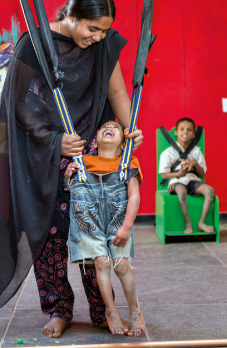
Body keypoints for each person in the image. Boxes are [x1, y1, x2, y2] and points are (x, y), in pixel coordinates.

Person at [0, 0, 144, 339]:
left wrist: (129, 127)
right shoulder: (35, 44)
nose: (100, 36)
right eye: (93, 28)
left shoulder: (104, 45)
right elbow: (18, 104)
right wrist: (55, 141)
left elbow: (116, 90)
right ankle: (58, 308)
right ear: (71, 17)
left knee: (93, 230)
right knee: (51, 233)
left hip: (89, 148)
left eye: (105, 29)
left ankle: (102, 306)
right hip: (44, 152)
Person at [65, 121, 145, 337]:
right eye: (104, 128)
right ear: (96, 140)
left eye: (116, 128)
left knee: (121, 266)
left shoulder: (128, 161)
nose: (109, 128)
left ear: (123, 145)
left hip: (118, 218)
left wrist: (127, 226)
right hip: (88, 218)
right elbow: (72, 191)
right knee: (101, 263)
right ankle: (110, 311)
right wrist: (68, 175)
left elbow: (134, 196)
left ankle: (135, 310)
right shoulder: (83, 161)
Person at [159, 118, 215, 234]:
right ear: (176, 132)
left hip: (193, 180)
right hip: (176, 181)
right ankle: (188, 222)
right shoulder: (168, 153)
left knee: (210, 190)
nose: (185, 132)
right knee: (182, 191)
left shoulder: (196, 152)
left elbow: (202, 174)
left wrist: (194, 163)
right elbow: (164, 174)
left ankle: (201, 223)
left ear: (194, 134)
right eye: (182, 129)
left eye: (189, 130)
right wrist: (179, 174)